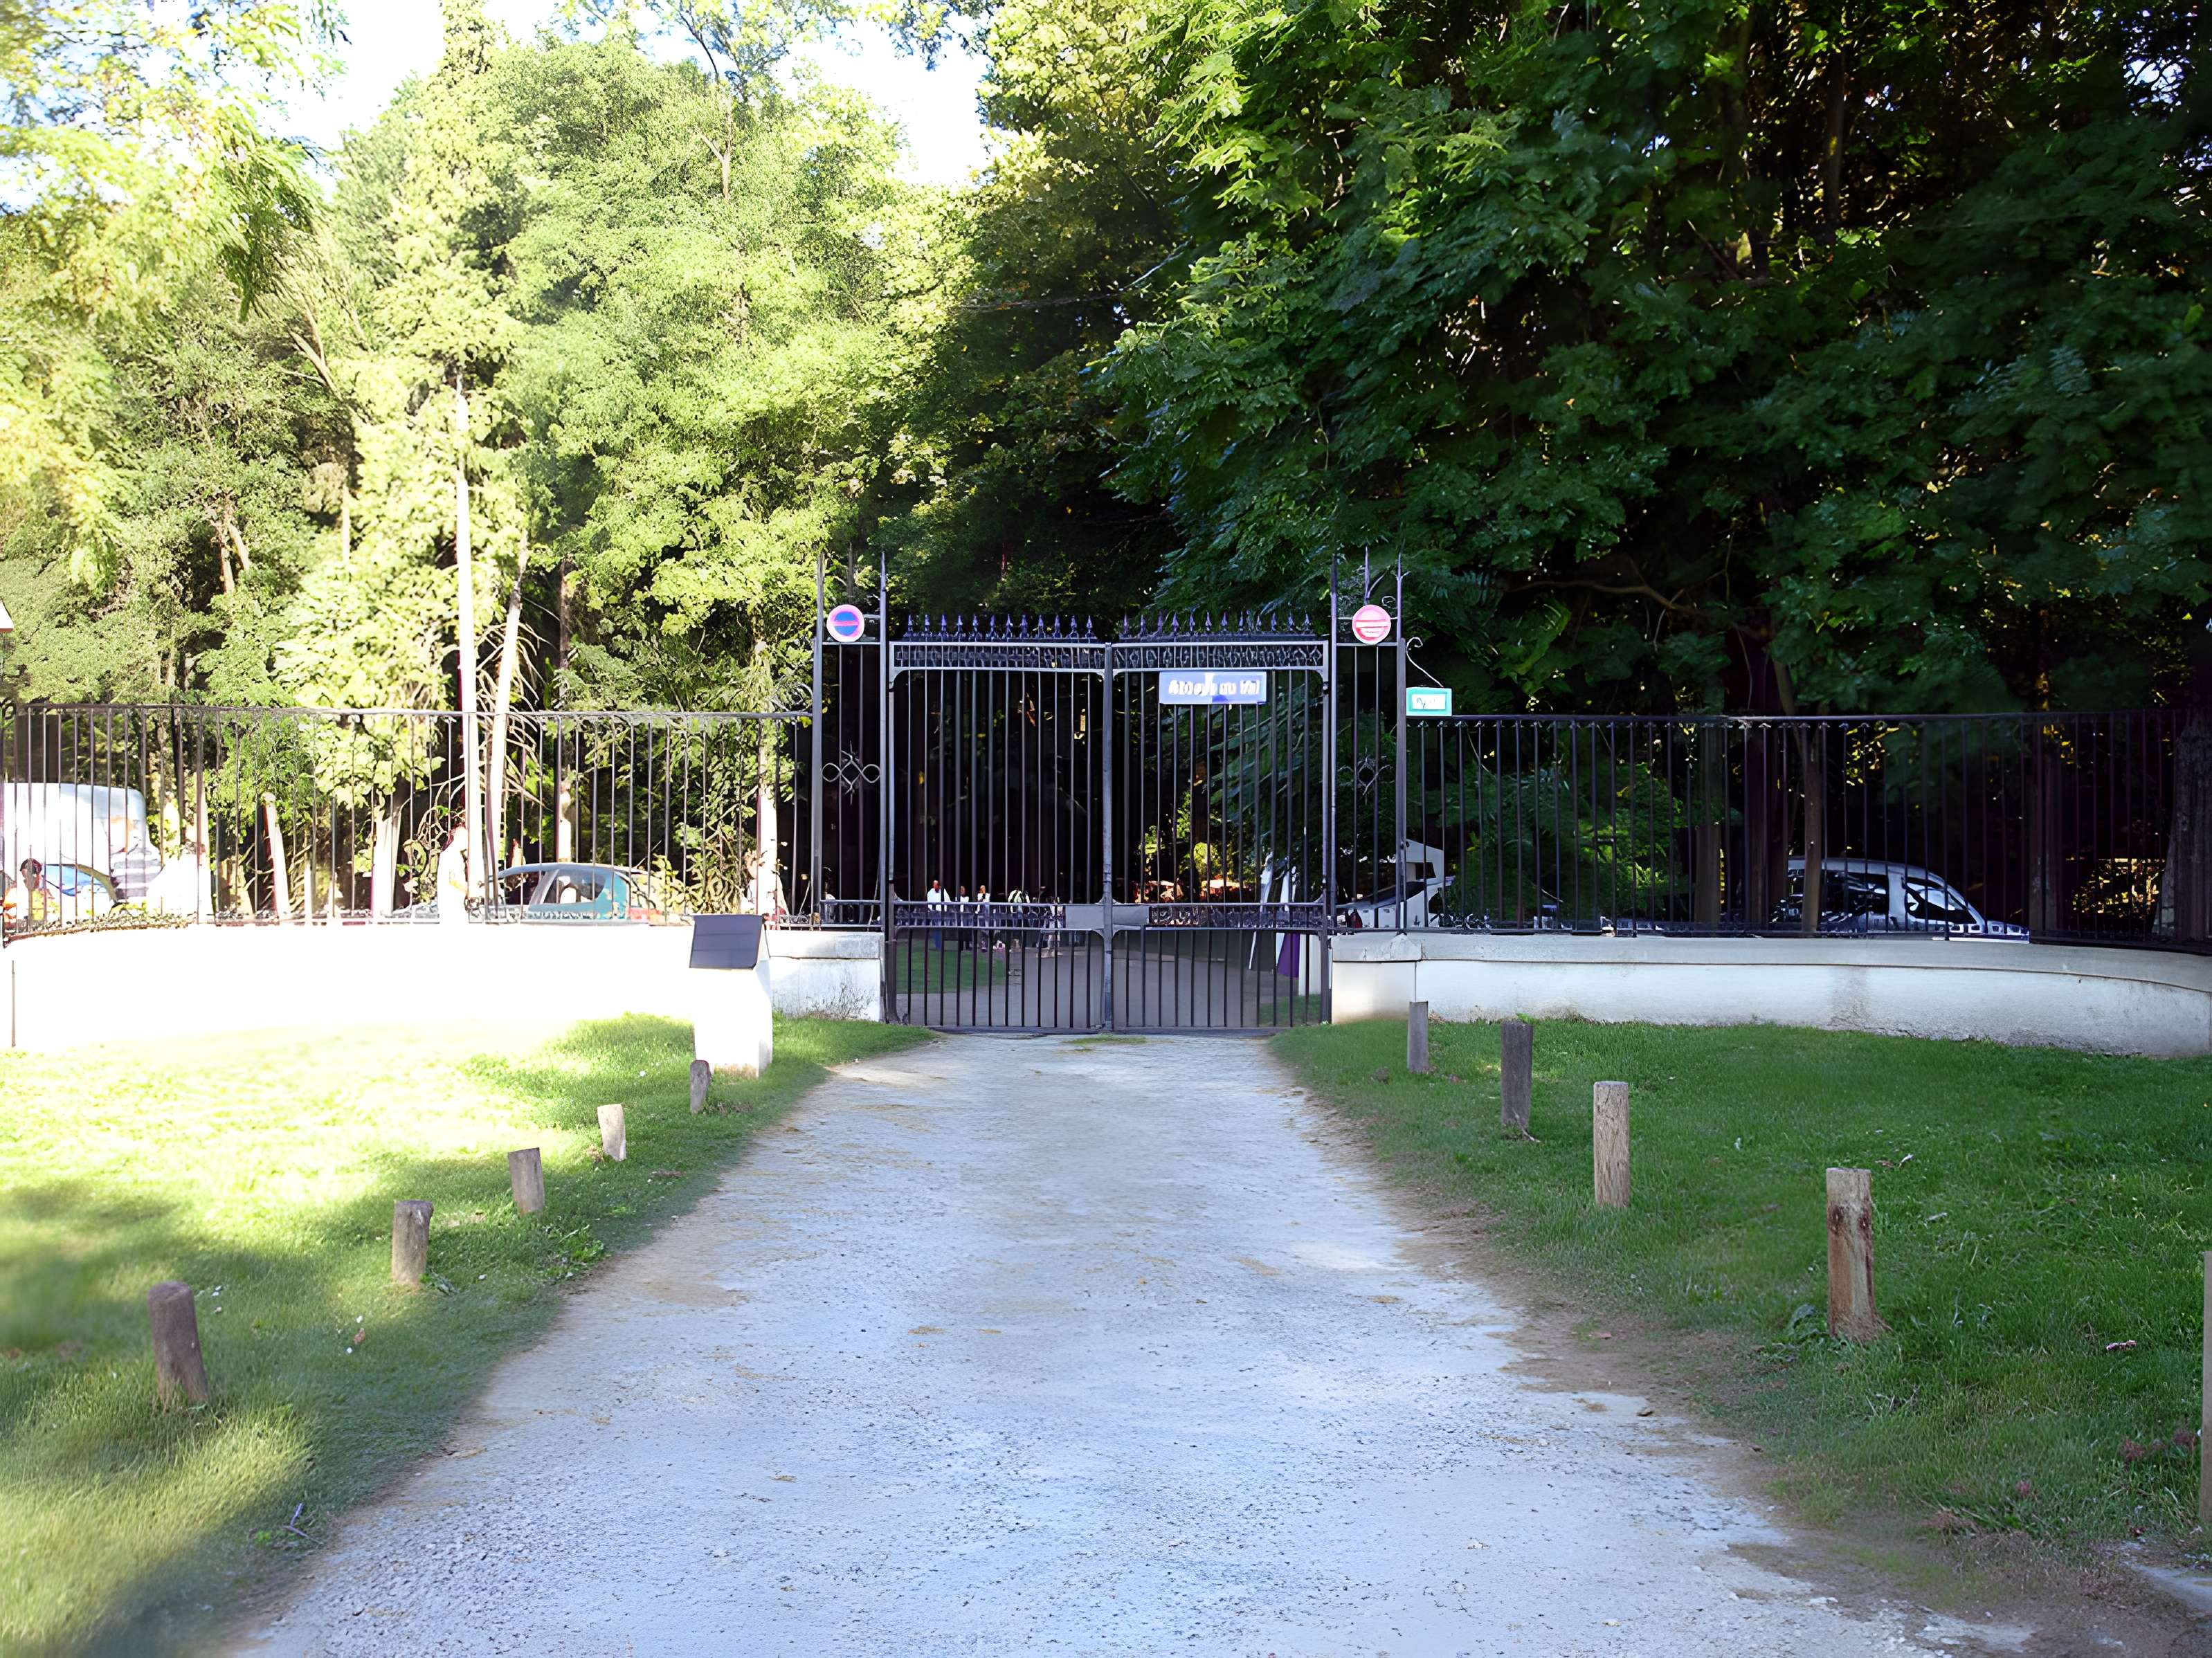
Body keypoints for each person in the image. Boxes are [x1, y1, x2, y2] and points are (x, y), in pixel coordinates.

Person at [435, 823, 470, 925]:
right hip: (453, 902)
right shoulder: (453, 855)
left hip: (450, 901)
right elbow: (453, 879)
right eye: (466, 837)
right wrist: (469, 890)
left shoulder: (448, 853)